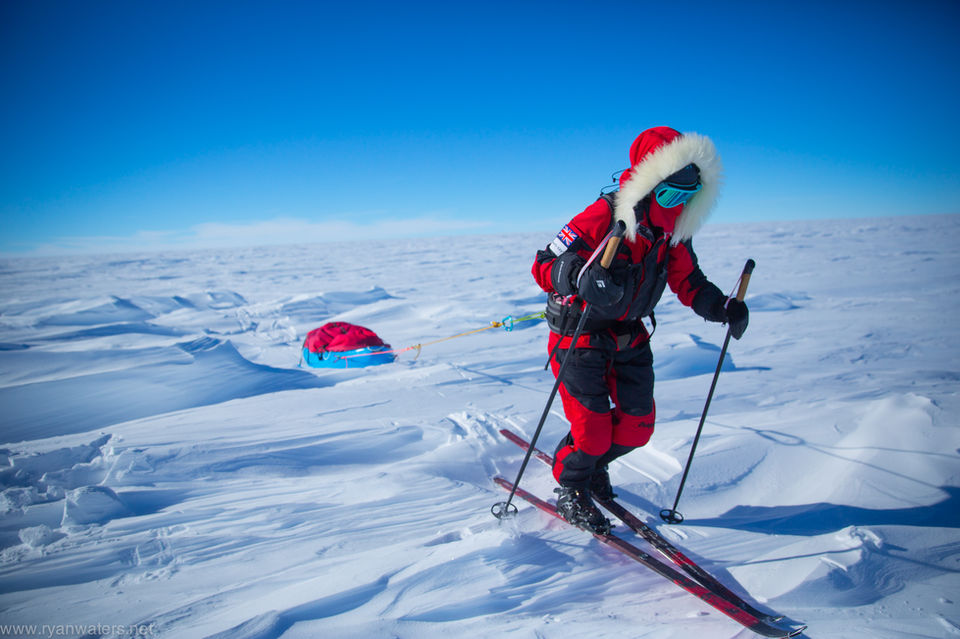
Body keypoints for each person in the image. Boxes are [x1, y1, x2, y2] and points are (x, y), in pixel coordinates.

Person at [530, 126, 749, 534]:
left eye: (688, 197)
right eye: (670, 195)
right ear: (651, 183)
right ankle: (573, 484)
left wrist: (722, 307)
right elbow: (544, 264)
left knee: (636, 428)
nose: (679, 205)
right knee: (592, 433)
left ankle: (594, 466)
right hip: (580, 338)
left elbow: (689, 281)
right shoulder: (604, 216)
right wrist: (579, 276)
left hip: (630, 336)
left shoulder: (671, 235)